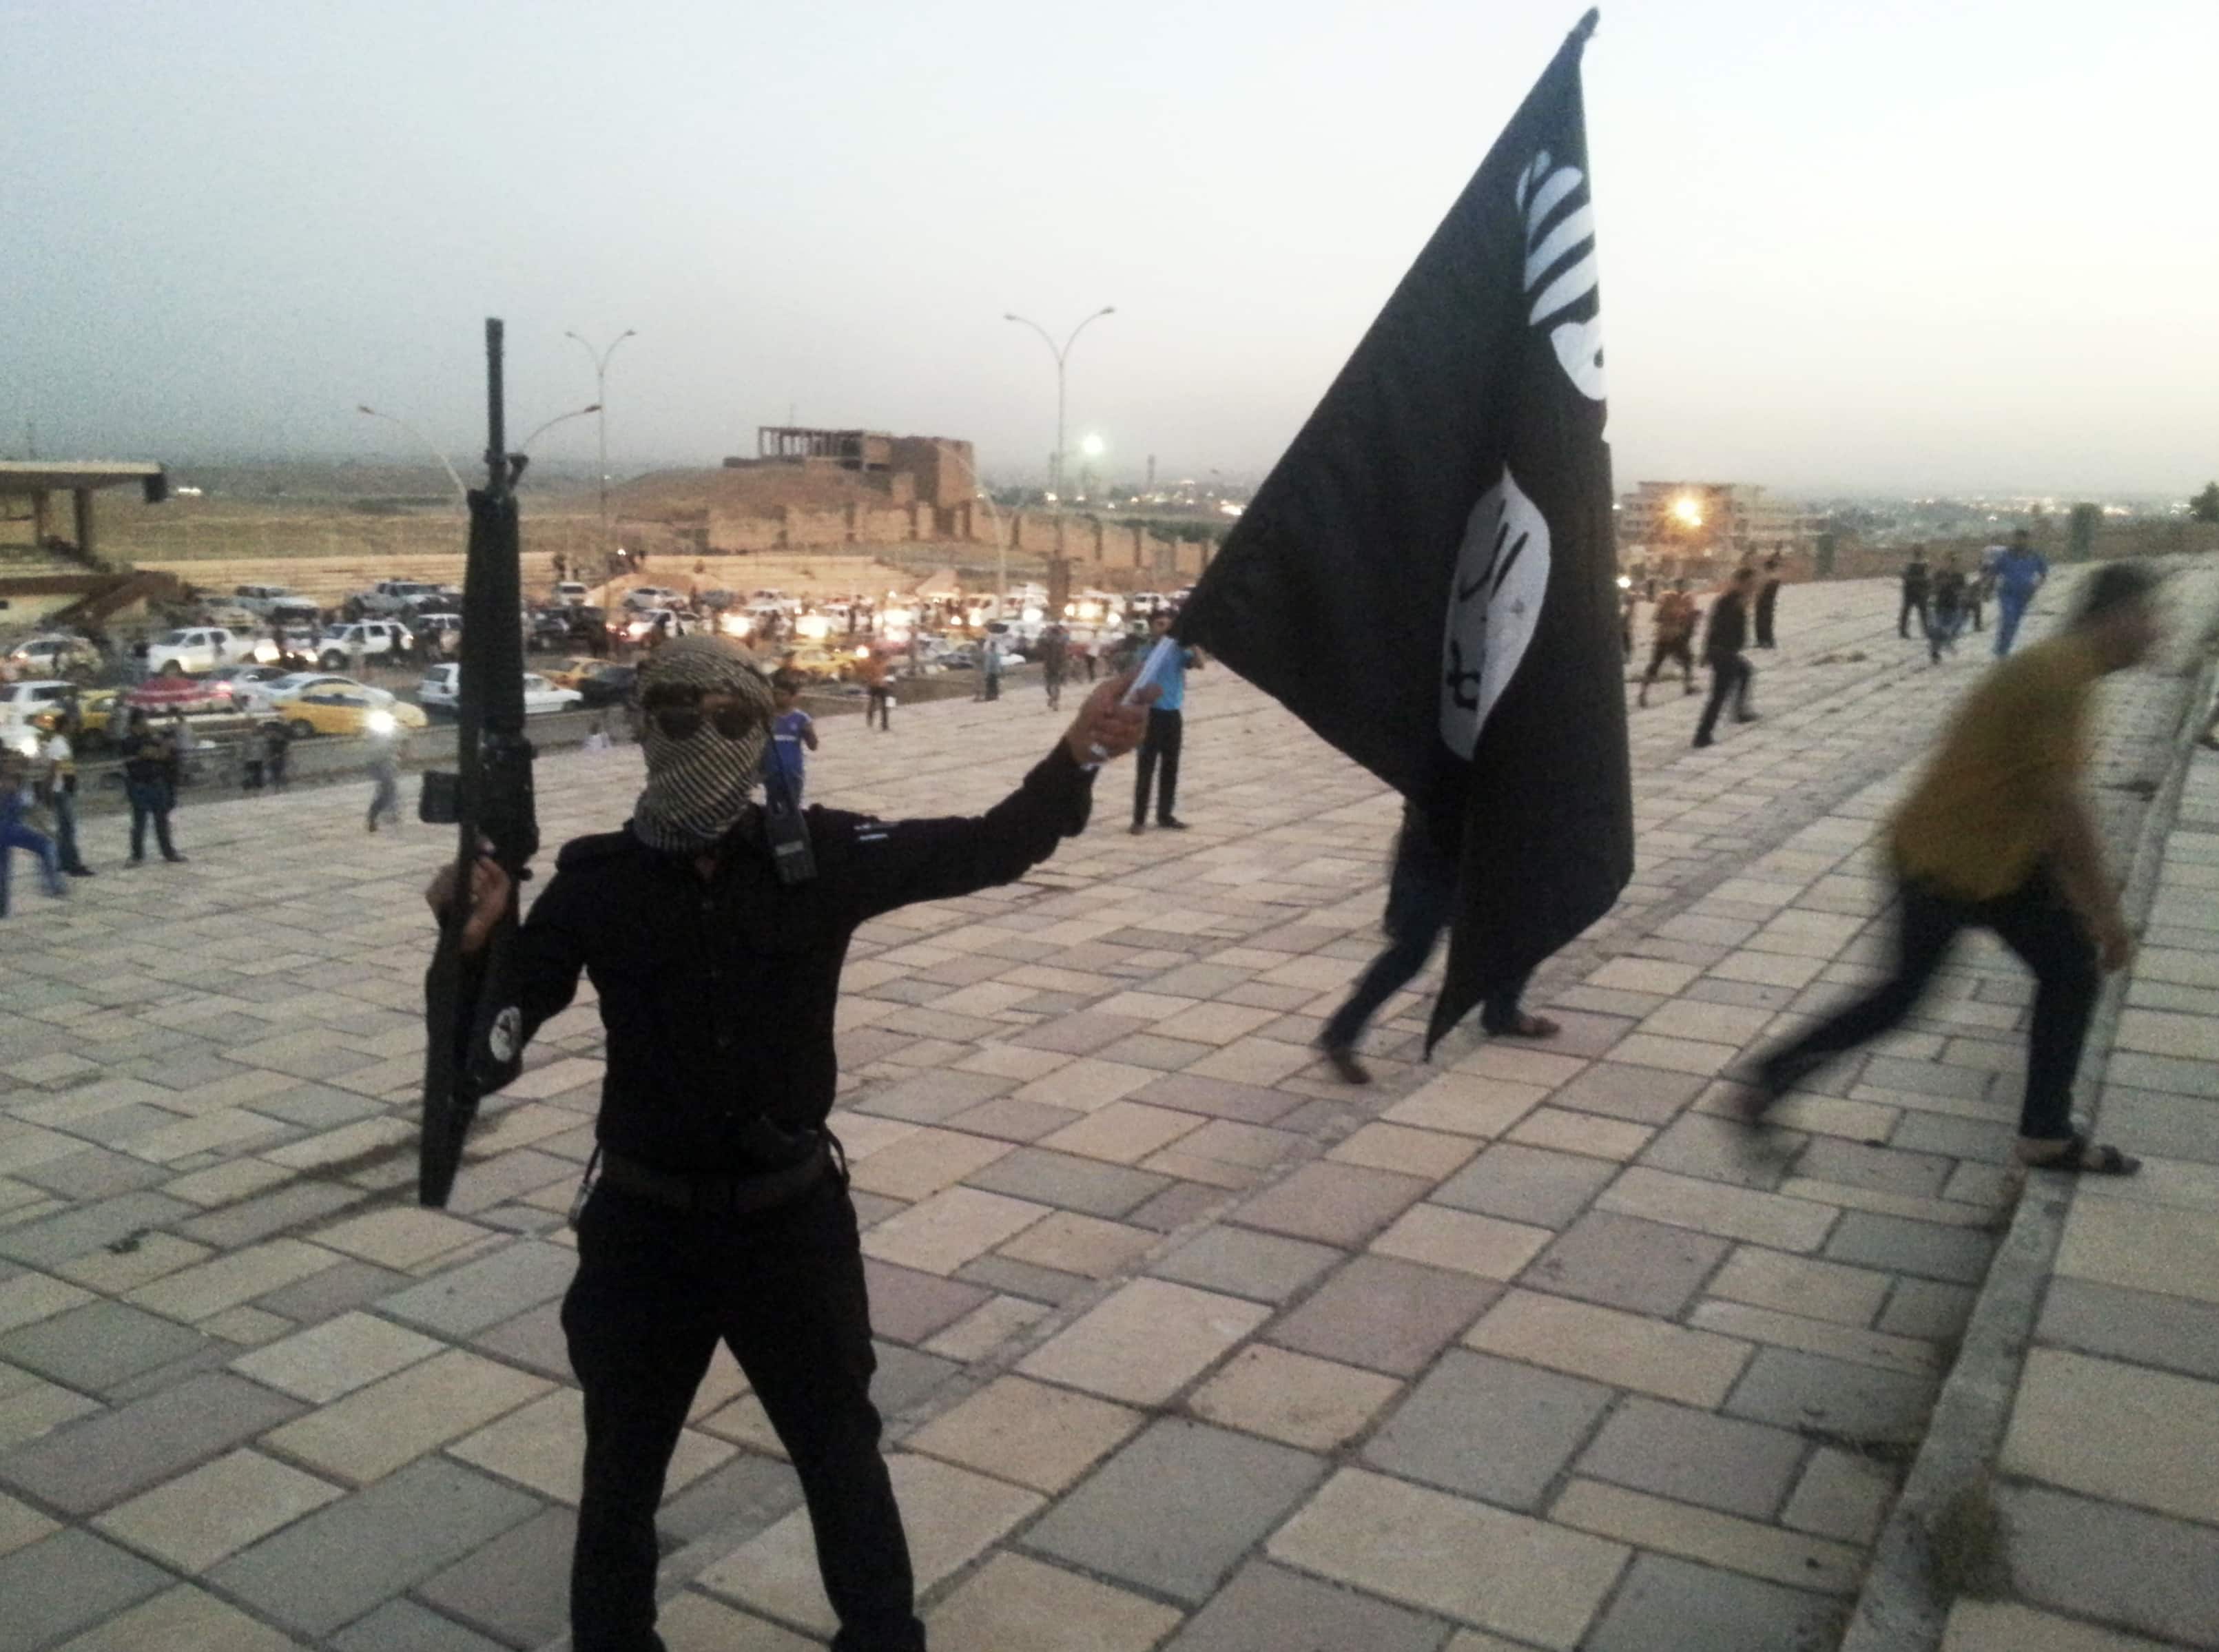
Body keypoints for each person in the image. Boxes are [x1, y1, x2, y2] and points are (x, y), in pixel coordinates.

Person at [424, 635, 1155, 1652]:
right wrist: (468, 950)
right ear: (645, 729)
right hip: (645, 1228)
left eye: (729, 718)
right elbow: (490, 1050)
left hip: (789, 1223)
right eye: (675, 717)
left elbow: (988, 845)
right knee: (621, 1471)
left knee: (840, 1454)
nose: (701, 738)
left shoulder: (824, 856)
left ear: (763, 730)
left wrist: (1077, 751)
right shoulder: (597, 883)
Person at [1746, 562, 2163, 1175]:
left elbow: (2043, 797)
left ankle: (2046, 1132)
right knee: (1903, 998)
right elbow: (2062, 807)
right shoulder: (2058, 675)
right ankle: (1768, 1077)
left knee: (2067, 971)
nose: (2158, 634)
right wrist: (2107, 915)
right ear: (2117, 616)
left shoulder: (2065, 670)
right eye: (2152, 618)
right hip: (1945, 861)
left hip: (1993, 859)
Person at [1317, 803, 1559, 1083]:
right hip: (1439, 852)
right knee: (1411, 952)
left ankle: (1502, 1011)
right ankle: (1341, 1032)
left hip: (1466, 847)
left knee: (1520, 927)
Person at [1131, 612, 1201, 835]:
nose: (1164, 628)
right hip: (1149, 715)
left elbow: (1199, 664)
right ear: (1151, 627)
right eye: (1160, 624)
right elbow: (1134, 679)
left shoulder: (1178, 651)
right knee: (1146, 767)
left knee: (1170, 767)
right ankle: (1139, 819)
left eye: (1168, 625)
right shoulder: (1144, 652)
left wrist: (1193, 643)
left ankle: (1165, 815)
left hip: (1172, 715)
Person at [1691, 568, 1759, 748]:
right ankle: (1702, 736)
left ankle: (1739, 712)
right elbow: (1715, 627)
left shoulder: (1731, 600)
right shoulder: (1731, 601)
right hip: (1723, 654)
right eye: (1750, 584)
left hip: (1725, 653)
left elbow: (1712, 627)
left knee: (1745, 671)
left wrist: (1706, 652)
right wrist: (1707, 652)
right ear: (1741, 583)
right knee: (1718, 696)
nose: (1753, 587)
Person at [0, 748, 68, 918]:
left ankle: (52, 884)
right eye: (7, 761)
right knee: (3, 871)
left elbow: (31, 810)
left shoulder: (21, 782)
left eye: (14, 761)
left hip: (13, 828)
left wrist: (46, 829)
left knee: (45, 845)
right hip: (4, 829)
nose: (12, 765)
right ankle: (3, 908)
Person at [118, 712, 185, 865]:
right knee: (139, 822)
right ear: (136, 723)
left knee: (162, 820)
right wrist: (165, 744)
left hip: (156, 782)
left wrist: (166, 739)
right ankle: (137, 855)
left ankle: (168, 852)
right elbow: (157, 755)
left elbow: (166, 755)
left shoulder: (150, 738)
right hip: (140, 785)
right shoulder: (130, 741)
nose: (147, 723)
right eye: (144, 720)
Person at [38, 719, 92, 877]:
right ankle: (73, 865)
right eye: (72, 724)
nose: (75, 726)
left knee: (64, 829)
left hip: (62, 790)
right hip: (61, 791)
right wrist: (46, 790)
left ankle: (62, 861)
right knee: (68, 829)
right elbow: (53, 769)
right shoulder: (59, 744)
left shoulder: (61, 743)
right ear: (64, 726)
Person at [1638, 579, 1700, 707]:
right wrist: (1676, 615)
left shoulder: (1685, 599)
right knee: (1656, 665)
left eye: (1684, 586)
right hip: (1668, 637)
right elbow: (1658, 617)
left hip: (1672, 636)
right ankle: (1643, 693)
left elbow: (1686, 619)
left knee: (1686, 659)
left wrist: (1690, 616)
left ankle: (1687, 686)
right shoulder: (1668, 599)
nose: (1683, 589)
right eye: (1682, 586)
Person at [1992, 527, 2049, 657]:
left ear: (2027, 540)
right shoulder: (2006, 555)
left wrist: (2037, 586)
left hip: (2024, 595)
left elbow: (2044, 572)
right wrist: (1986, 586)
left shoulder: (2034, 556)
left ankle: (2003, 648)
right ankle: (2002, 650)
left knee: (2014, 624)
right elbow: (1994, 572)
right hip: (2007, 593)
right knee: (2009, 618)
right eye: (2017, 539)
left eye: (2023, 539)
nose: (2020, 542)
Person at [769, 670, 818, 806]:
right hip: (771, 773)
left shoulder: (802, 719)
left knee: (793, 808)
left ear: (793, 697)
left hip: (793, 772)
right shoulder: (767, 717)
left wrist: (809, 733)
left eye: (783, 695)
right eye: (775, 694)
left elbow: (813, 746)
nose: (778, 698)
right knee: (772, 808)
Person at [1926, 553, 1967, 663]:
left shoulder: (1959, 576)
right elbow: (1932, 588)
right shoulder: (1939, 574)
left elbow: (1963, 591)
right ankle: (1935, 653)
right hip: (1940, 606)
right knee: (1938, 630)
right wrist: (1939, 587)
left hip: (1953, 606)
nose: (1950, 564)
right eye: (1948, 561)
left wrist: (1956, 590)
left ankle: (1946, 643)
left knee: (1951, 631)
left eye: (1953, 561)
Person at [367, 735, 404, 833]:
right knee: (387, 790)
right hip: (379, 763)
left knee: (388, 790)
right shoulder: (375, 736)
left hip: (386, 762)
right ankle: (374, 818)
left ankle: (388, 814)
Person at [854, 650, 894, 733]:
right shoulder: (871, 664)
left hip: (882, 686)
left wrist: (887, 683)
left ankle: (884, 724)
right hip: (874, 686)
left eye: (881, 657)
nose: (881, 659)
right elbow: (863, 672)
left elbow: (886, 674)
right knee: (872, 703)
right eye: (880, 657)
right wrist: (869, 679)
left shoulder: (883, 664)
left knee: (883, 706)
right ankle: (871, 717)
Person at [1899, 549, 1931, 639]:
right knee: (1922, 614)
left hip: (1912, 593)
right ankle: (1926, 631)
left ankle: (1903, 631)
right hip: (1918, 593)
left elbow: (1905, 577)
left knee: (1907, 613)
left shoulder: (1909, 565)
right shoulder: (1924, 566)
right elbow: (1927, 580)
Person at [1039, 622, 1070, 712]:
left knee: (1051, 685)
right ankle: (1054, 700)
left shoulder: (1052, 642)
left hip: (1053, 665)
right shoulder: (1059, 642)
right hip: (1054, 665)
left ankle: (1054, 700)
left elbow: (1040, 645)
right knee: (1054, 685)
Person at [1753, 554, 1783, 649]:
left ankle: (1764, 640)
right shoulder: (1775, 577)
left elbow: (1762, 591)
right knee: (1766, 621)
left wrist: (1758, 597)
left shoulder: (1769, 578)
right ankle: (1767, 640)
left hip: (1764, 603)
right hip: (1768, 603)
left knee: (1762, 621)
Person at [263, 721, 292, 794]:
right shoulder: (272, 740)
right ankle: (278, 788)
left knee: (278, 773)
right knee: (276, 773)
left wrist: (281, 755)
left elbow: (285, 749)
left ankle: (279, 788)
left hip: (278, 758)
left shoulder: (279, 739)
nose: (268, 734)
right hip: (274, 759)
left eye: (270, 732)